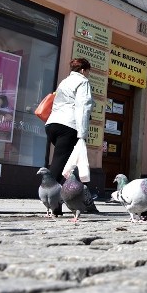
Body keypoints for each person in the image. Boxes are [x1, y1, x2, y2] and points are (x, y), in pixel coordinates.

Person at [45, 58, 93, 214]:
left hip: (52, 124)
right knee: (59, 165)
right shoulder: (83, 82)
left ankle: (65, 202)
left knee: (67, 164)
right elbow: (83, 107)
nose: (88, 74)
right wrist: (83, 133)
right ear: (84, 70)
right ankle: (51, 202)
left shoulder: (64, 82)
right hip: (68, 125)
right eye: (88, 71)